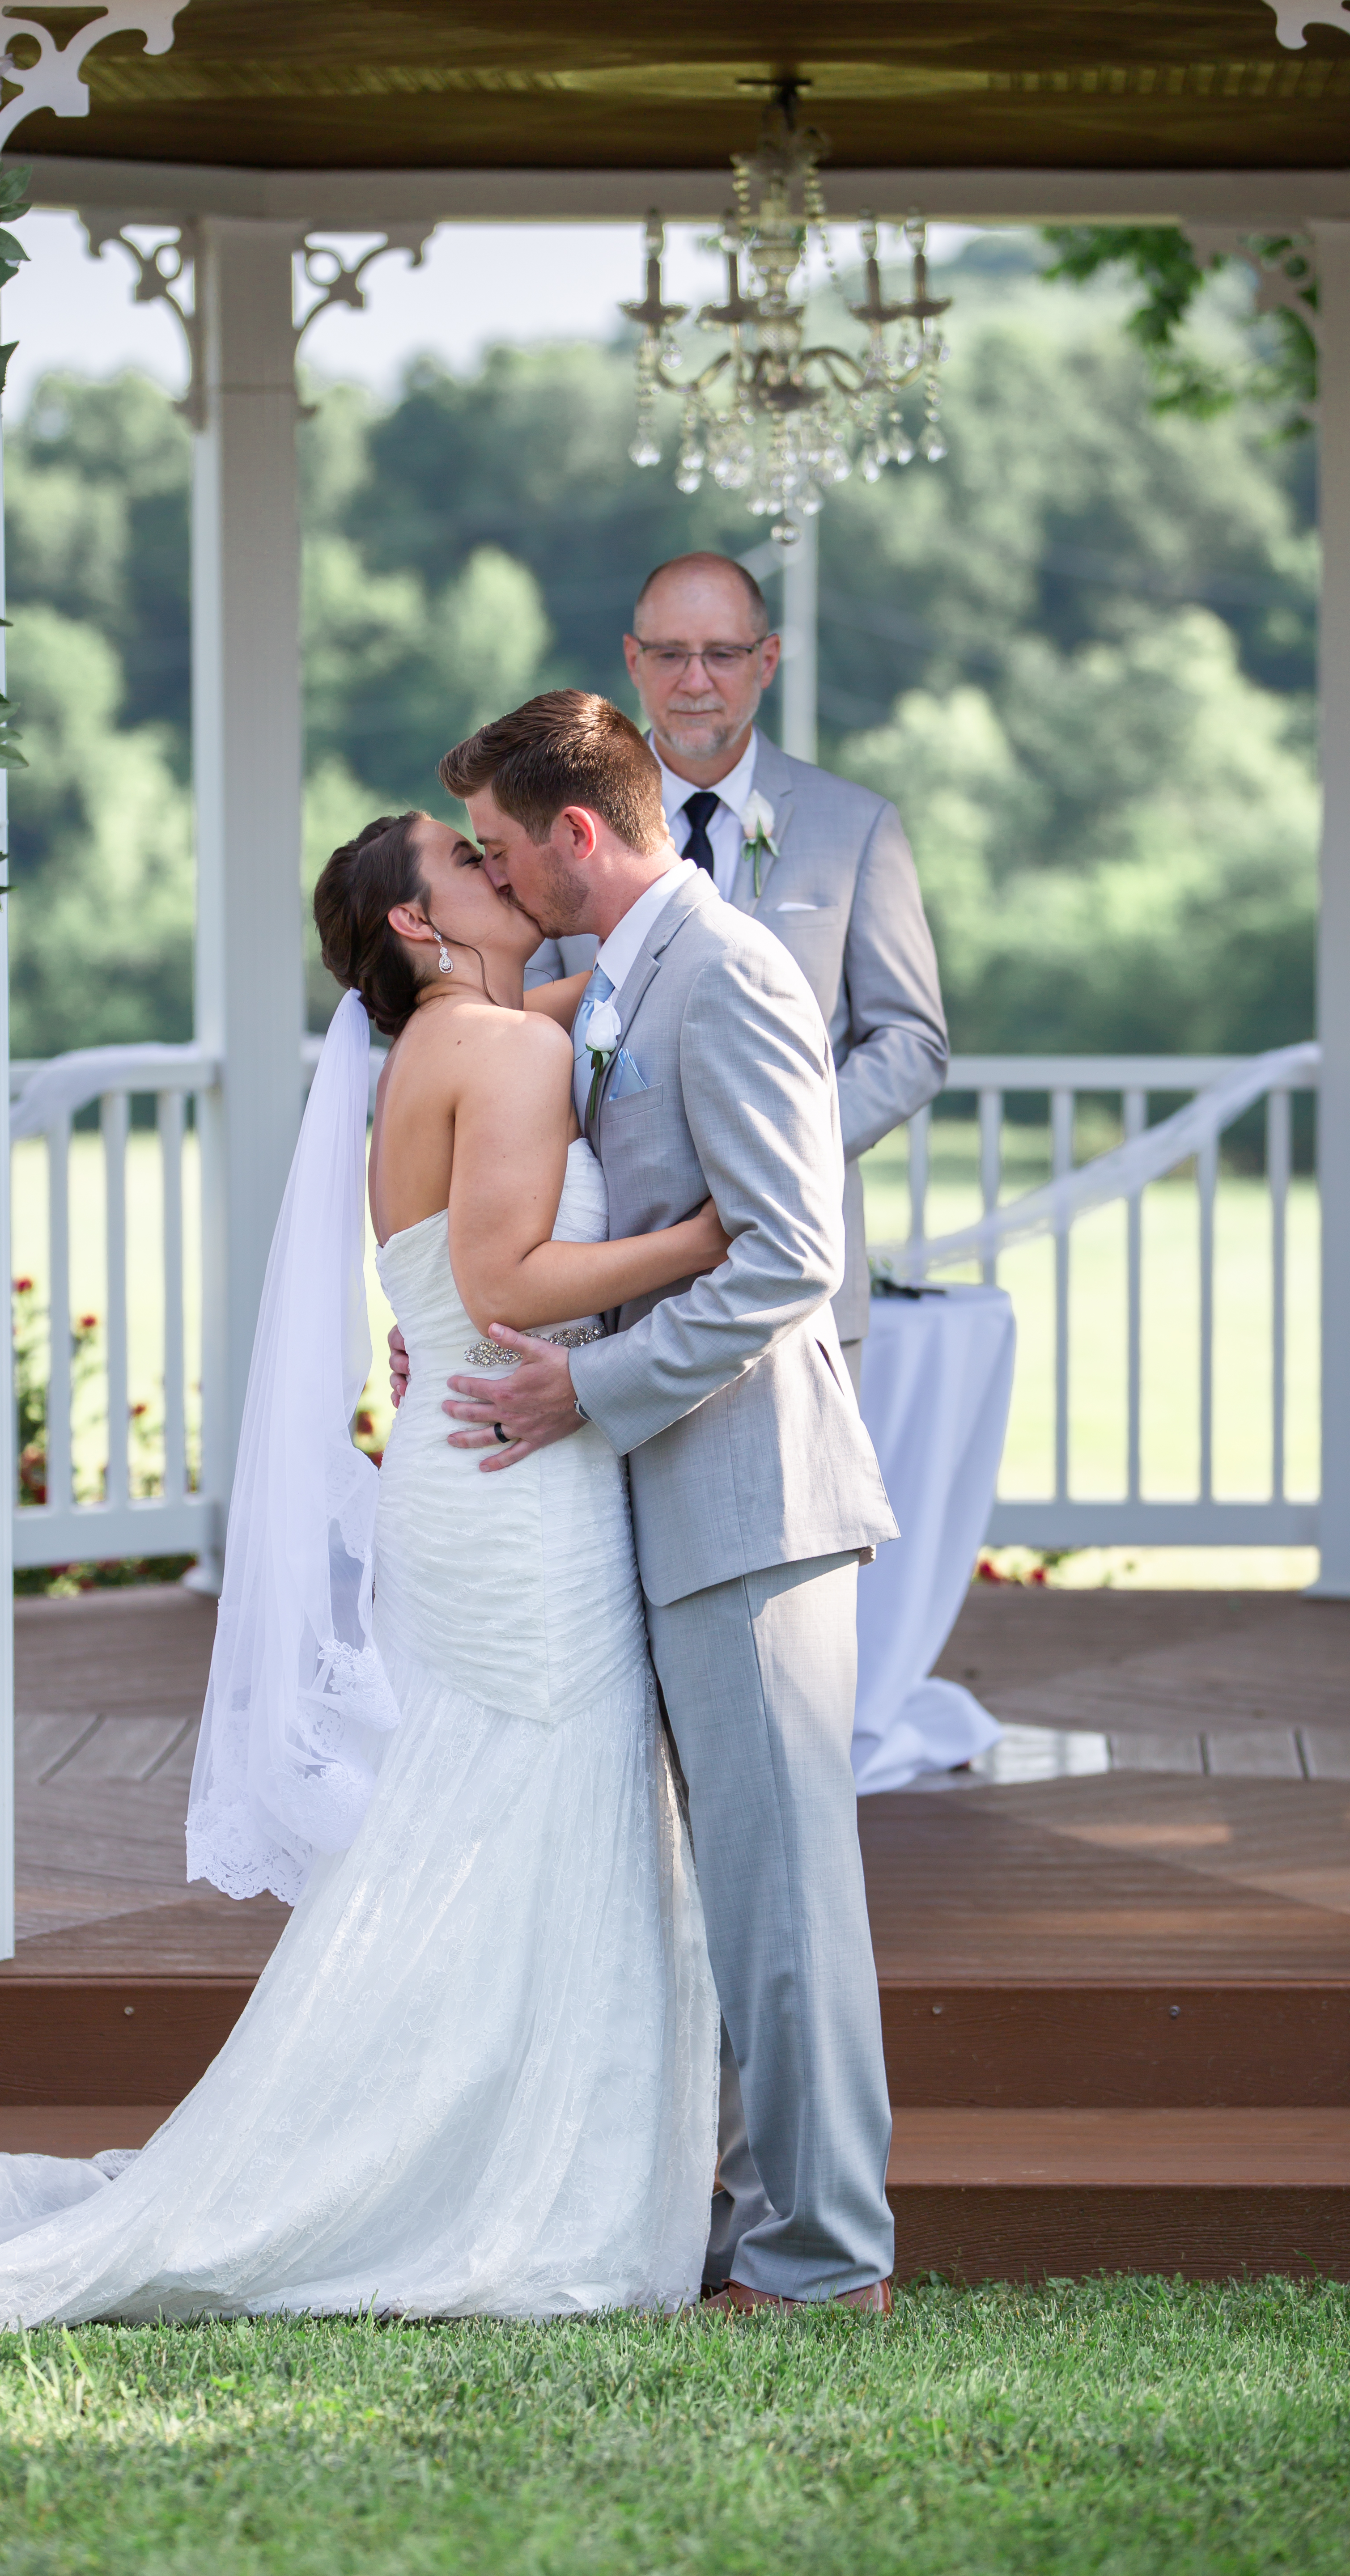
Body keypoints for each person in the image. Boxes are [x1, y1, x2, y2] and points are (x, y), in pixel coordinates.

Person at [0, 809, 725, 2334]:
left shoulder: (464, 1038)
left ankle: (485, 2150)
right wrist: (712, 1237)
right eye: (469, 863)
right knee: (541, 1811)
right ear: (417, 927)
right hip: (518, 1481)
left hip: (477, 1470)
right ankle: (493, 2178)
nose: (502, 872)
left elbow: (603, 1012)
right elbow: (508, 1280)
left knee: (516, 1815)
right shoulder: (495, 1051)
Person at [435, 690, 901, 2313]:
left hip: (754, 1497)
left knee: (788, 1907)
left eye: (501, 850)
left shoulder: (734, 970)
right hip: (679, 1496)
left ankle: (829, 2261)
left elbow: (790, 1255)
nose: (495, 879)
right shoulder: (627, 977)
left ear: (576, 834)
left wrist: (589, 1385)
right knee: (735, 1907)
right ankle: (757, 2225)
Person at [526, 549, 948, 1386]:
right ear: (633, 661)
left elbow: (910, 1041)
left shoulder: (854, 826)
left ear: (767, 660)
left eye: (722, 654)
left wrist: (786, 1148)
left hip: (796, 1266)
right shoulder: (562, 826)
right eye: (671, 654)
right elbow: (523, 1012)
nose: (696, 680)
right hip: (606, 1261)